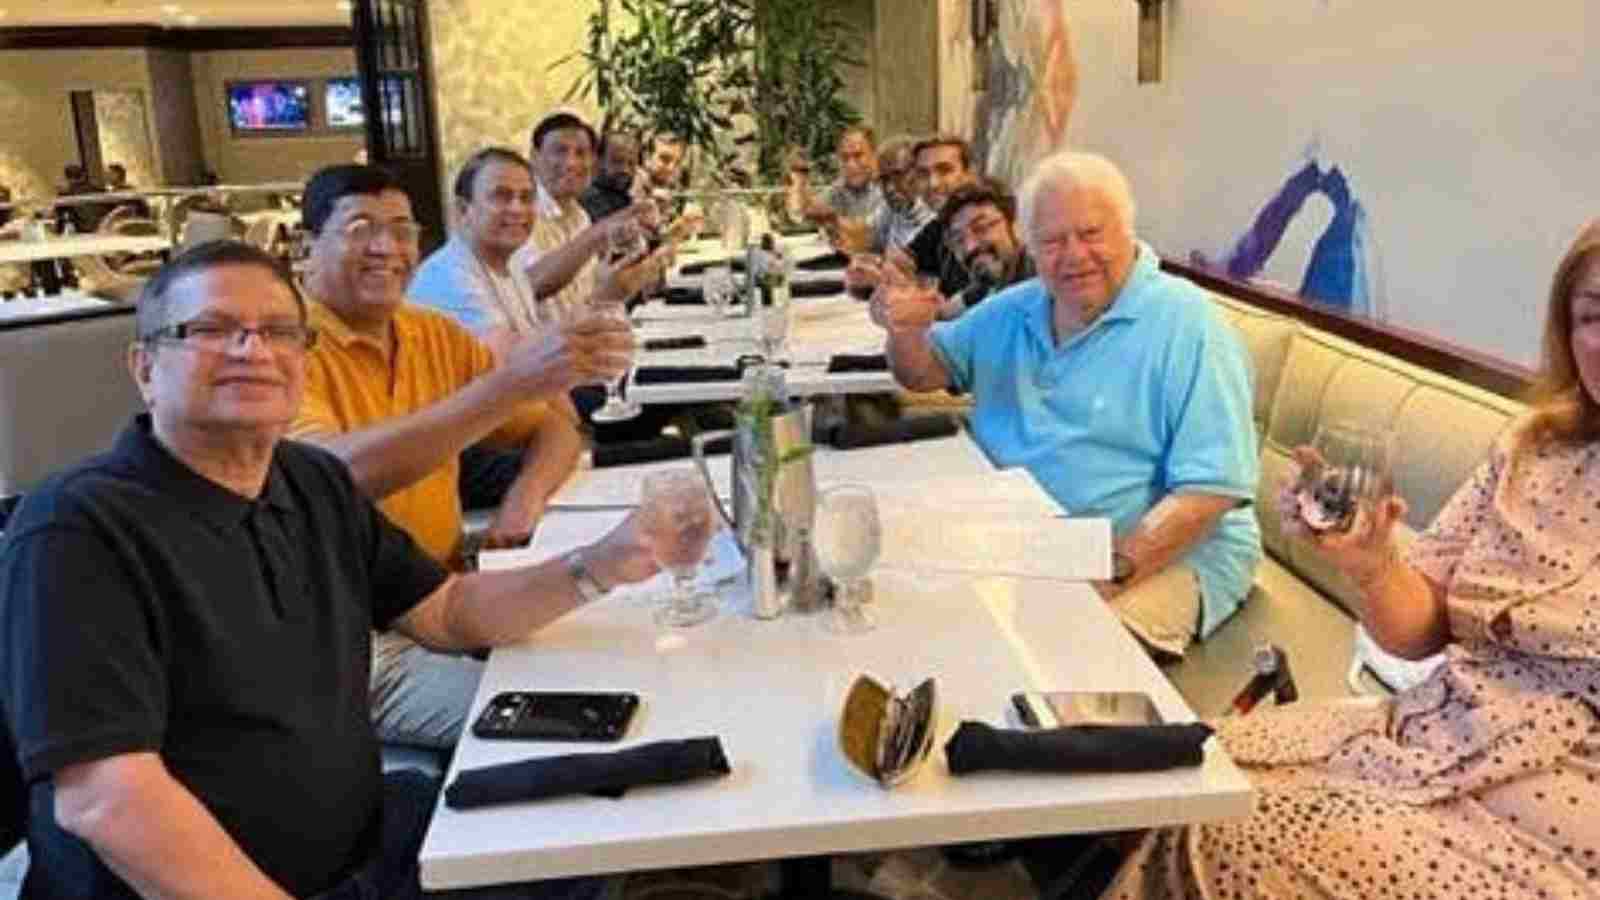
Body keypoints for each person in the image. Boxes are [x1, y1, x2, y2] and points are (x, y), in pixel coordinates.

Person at [0, 239, 657, 899]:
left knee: (579, 834)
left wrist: (603, 563)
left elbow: (449, 612)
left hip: (367, 850)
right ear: (144, 367)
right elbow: (106, 799)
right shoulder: (80, 527)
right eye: (211, 330)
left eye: (279, 332)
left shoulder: (309, 480)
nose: (251, 350)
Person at [1105, 218, 1600, 898]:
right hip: (1433, 730)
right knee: (1188, 768)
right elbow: (1419, 631)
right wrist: (1373, 564)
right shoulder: (1530, 450)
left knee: (1238, 836)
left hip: (1549, 815)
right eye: (1595, 315)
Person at [873, 150, 1260, 658]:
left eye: (1092, 234)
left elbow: (1208, 493)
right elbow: (924, 372)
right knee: (901, 610)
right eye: (1053, 241)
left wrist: (1104, 576)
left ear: (1127, 229)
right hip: (1028, 542)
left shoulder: (1189, 324)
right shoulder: (1015, 308)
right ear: (1028, 245)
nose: (1074, 255)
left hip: (1162, 554)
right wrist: (905, 331)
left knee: (1056, 657)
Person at [289, 164, 610, 749]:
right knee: (561, 727)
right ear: (304, 245)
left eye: (403, 230)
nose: (386, 248)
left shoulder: (429, 333)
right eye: (361, 228)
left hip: (446, 591)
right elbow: (332, 475)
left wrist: (525, 497)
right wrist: (505, 388)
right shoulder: (281, 349)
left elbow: (558, 424)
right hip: (355, 635)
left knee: (612, 656)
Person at [933, 178, 1033, 319]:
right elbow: (967, 298)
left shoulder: (1039, 284)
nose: (969, 247)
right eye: (958, 239)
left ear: (1014, 224)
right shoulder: (990, 280)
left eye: (981, 228)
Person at [580, 129, 641, 223]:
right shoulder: (586, 199)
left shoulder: (625, 201)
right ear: (598, 161)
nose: (625, 170)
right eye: (617, 161)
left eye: (631, 164)